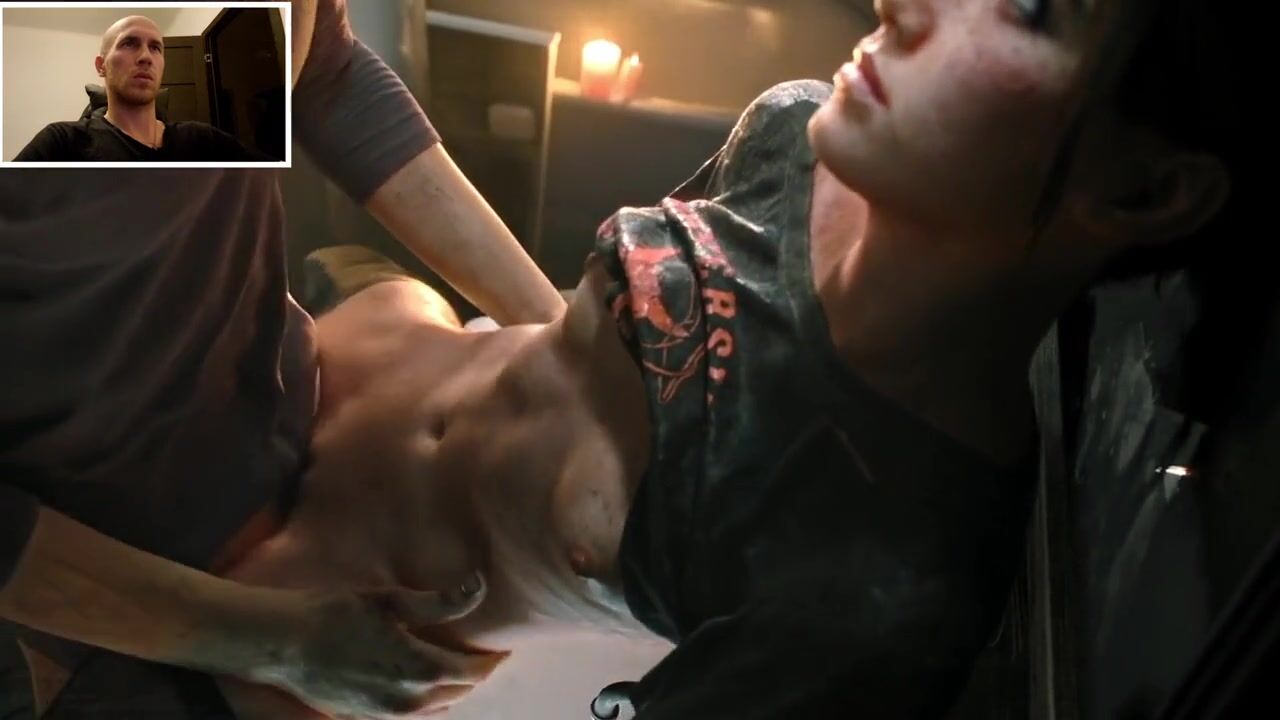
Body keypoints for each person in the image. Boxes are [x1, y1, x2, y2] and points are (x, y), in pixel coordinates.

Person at [208, 0, 1245, 716]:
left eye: (1026, 9)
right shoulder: (794, 131)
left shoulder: (881, 579)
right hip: (303, 337)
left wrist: (268, 645)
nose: (900, 6)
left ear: (1148, 190)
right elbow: (313, 75)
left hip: (267, 598)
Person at [0, 0, 565, 718]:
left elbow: (324, 73)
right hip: (85, 596)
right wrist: (265, 642)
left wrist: (561, 334)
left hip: (282, 434)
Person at [13, 15, 272, 163]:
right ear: (101, 66)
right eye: (129, 43)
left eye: (155, 48)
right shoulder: (63, 143)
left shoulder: (203, 140)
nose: (146, 57)